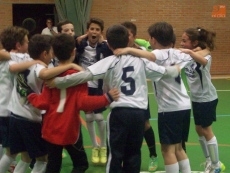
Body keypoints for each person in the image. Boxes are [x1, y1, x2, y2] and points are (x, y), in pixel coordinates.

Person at [45, 24, 181, 173]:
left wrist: (57, 82)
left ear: (108, 44)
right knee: (134, 154)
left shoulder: (109, 62)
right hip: (139, 115)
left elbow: (83, 76)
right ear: (128, 40)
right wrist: (178, 67)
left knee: (115, 155)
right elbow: (166, 72)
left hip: (119, 114)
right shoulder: (141, 61)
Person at [113, 22, 212, 173]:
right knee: (179, 148)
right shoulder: (177, 52)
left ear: (153, 39)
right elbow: (202, 54)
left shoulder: (159, 53)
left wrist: (128, 49)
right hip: (184, 105)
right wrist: (203, 50)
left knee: (168, 150)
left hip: (170, 108)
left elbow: (151, 55)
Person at [27, 33, 119, 173]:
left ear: (53, 53)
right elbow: (83, 102)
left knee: (53, 164)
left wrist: (31, 95)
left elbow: (43, 103)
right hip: (70, 128)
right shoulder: (77, 77)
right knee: (81, 164)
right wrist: (106, 98)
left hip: (51, 127)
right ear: (73, 52)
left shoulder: (51, 75)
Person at [0, 26, 49, 173]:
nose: (28, 45)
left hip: (12, 111)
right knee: (10, 152)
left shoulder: (16, 57)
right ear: (18, 45)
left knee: (23, 155)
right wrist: (35, 63)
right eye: (26, 42)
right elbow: (13, 68)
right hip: (8, 112)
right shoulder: (10, 60)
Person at [180, 27, 225, 173]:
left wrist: (191, 52)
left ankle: (216, 165)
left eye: (184, 41)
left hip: (207, 98)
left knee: (206, 130)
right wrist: (189, 52)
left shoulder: (204, 56)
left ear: (194, 42)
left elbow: (204, 60)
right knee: (199, 129)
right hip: (196, 98)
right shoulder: (191, 54)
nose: (181, 43)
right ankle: (209, 161)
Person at [74, 17, 113, 165]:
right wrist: (82, 37)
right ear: (87, 31)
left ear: (101, 32)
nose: (94, 32)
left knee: (98, 117)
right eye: (92, 29)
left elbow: (111, 56)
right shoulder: (81, 45)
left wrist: (103, 41)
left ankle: (102, 146)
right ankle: (94, 147)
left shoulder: (104, 46)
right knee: (89, 118)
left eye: (97, 29)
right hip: (84, 85)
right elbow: (71, 42)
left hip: (99, 85)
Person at [121, 21, 158, 172]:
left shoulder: (141, 51)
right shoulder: (116, 50)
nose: (125, 37)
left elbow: (151, 59)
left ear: (134, 36)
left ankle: (153, 155)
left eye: (128, 34)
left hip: (139, 96)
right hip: (121, 97)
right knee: (123, 129)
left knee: (145, 125)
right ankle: (123, 159)